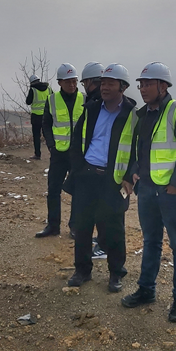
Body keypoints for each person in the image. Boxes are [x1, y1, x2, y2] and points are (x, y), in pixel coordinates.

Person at [121, 62, 176, 323]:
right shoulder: (142, 115)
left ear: (163, 86)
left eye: (148, 84)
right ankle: (146, 290)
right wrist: (134, 172)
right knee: (150, 242)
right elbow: (139, 150)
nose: (143, 89)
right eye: (141, 84)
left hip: (170, 192)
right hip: (147, 189)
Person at [67, 63, 137, 292]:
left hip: (113, 180)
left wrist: (129, 176)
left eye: (110, 83)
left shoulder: (133, 115)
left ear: (123, 87)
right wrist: (77, 169)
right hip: (87, 176)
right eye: (103, 83)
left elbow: (137, 149)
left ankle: (116, 273)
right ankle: (82, 270)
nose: (104, 87)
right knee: (82, 226)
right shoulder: (91, 109)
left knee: (113, 229)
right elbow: (77, 141)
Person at [36, 63, 84, 238]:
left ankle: (75, 227)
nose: (72, 85)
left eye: (74, 81)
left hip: (78, 154)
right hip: (59, 153)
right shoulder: (52, 100)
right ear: (60, 83)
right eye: (68, 82)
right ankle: (53, 226)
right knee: (53, 190)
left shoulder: (84, 99)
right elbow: (46, 124)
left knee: (78, 191)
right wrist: (51, 145)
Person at [79, 62, 106, 259]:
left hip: (99, 168)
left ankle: (103, 245)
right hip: (96, 167)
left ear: (90, 82)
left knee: (102, 211)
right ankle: (103, 241)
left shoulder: (96, 104)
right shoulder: (97, 102)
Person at [26, 75, 52, 160]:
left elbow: (28, 102)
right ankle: (53, 152)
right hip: (47, 115)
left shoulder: (33, 90)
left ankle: (37, 155)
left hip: (36, 117)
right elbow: (54, 99)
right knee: (48, 135)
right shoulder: (48, 88)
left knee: (36, 136)